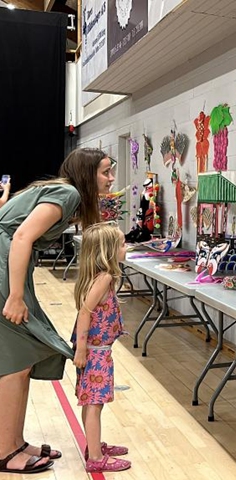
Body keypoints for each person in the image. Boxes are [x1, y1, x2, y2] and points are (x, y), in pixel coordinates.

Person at [0, 148, 113, 474]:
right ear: (87, 173)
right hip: (5, 264)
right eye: (105, 172)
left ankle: (14, 443)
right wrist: (16, 295)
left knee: (23, 357)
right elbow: (20, 236)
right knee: (16, 359)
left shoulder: (67, 194)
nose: (110, 179)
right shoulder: (68, 193)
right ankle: (6, 451)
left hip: (9, 261)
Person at [71, 222, 130, 473]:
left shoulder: (103, 277)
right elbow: (85, 312)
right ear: (109, 250)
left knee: (92, 402)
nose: (126, 247)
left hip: (96, 351)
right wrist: (82, 350)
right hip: (95, 353)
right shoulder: (104, 278)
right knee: (94, 404)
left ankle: (93, 445)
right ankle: (95, 457)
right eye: (122, 244)